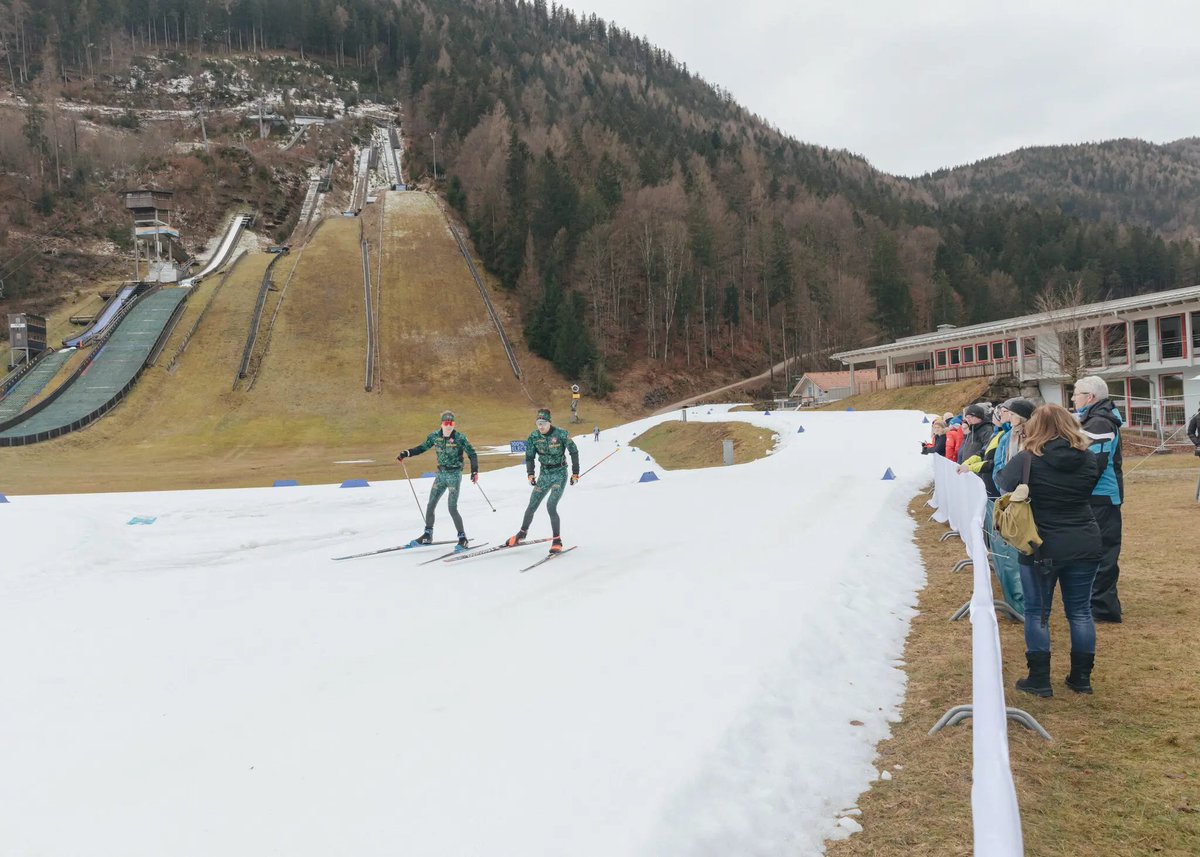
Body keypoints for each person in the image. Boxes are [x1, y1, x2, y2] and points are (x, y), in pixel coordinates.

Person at [995, 404, 1102, 696]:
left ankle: (1040, 679)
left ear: (1036, 428)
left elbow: (1002, 482)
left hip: (1039, 545)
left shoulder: (1026, 460)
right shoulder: (1089, 459)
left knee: (1038, 612)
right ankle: (1081, 678)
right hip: (1083, 540)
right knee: (1080, 612)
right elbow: (1088, 489)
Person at [961, 398, 1035, 614]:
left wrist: (1000, 478)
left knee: (1014, 550)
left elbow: (999, 462)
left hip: (1016, 499)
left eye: (1009, 413)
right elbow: (997, 461)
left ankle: (1021, 603)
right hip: (1005, 495)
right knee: (1006, 548)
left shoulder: (1023, 437)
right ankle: (1016, 600)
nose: (1005, 415)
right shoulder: (1005, 436)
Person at [1071, 376, 1124, 623]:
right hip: (1095, 496)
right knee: (1092, 551)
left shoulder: (1100, 422)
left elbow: (1094, 465)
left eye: (1076, 393)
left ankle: (1103, 608)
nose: (1072, 398)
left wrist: (1075, 491)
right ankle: (1096, 603)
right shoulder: (1093, 419)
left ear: (1090, 397)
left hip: (1100, 497)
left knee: (1102, 552)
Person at [396, 410, 479, 549]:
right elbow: (422, 448)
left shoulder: (460, 438)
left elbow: (472, 454)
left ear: (454, 424)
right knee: (431, 504)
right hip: (440, 474)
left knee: (452, 507)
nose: (448, 426)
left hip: (454, 475)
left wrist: (474, 471)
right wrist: (407, 453)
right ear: (441, 424)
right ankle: (427, 535)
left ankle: (462, 538)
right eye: (446, 423)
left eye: (451, 423)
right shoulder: (435, 436)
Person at [506, 408, 580, 553]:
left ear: (549, 422)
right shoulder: (533, 437)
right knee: (532, 505)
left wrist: (575, 473)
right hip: (544, 475)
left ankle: (557, 539)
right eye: (538, 423)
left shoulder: (561, 434)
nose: (540, 426)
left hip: (560, 473)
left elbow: (574, 451)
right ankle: (522, 533)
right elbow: (529, 457)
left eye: (543, 423)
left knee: (551, 505)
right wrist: (530, 474)